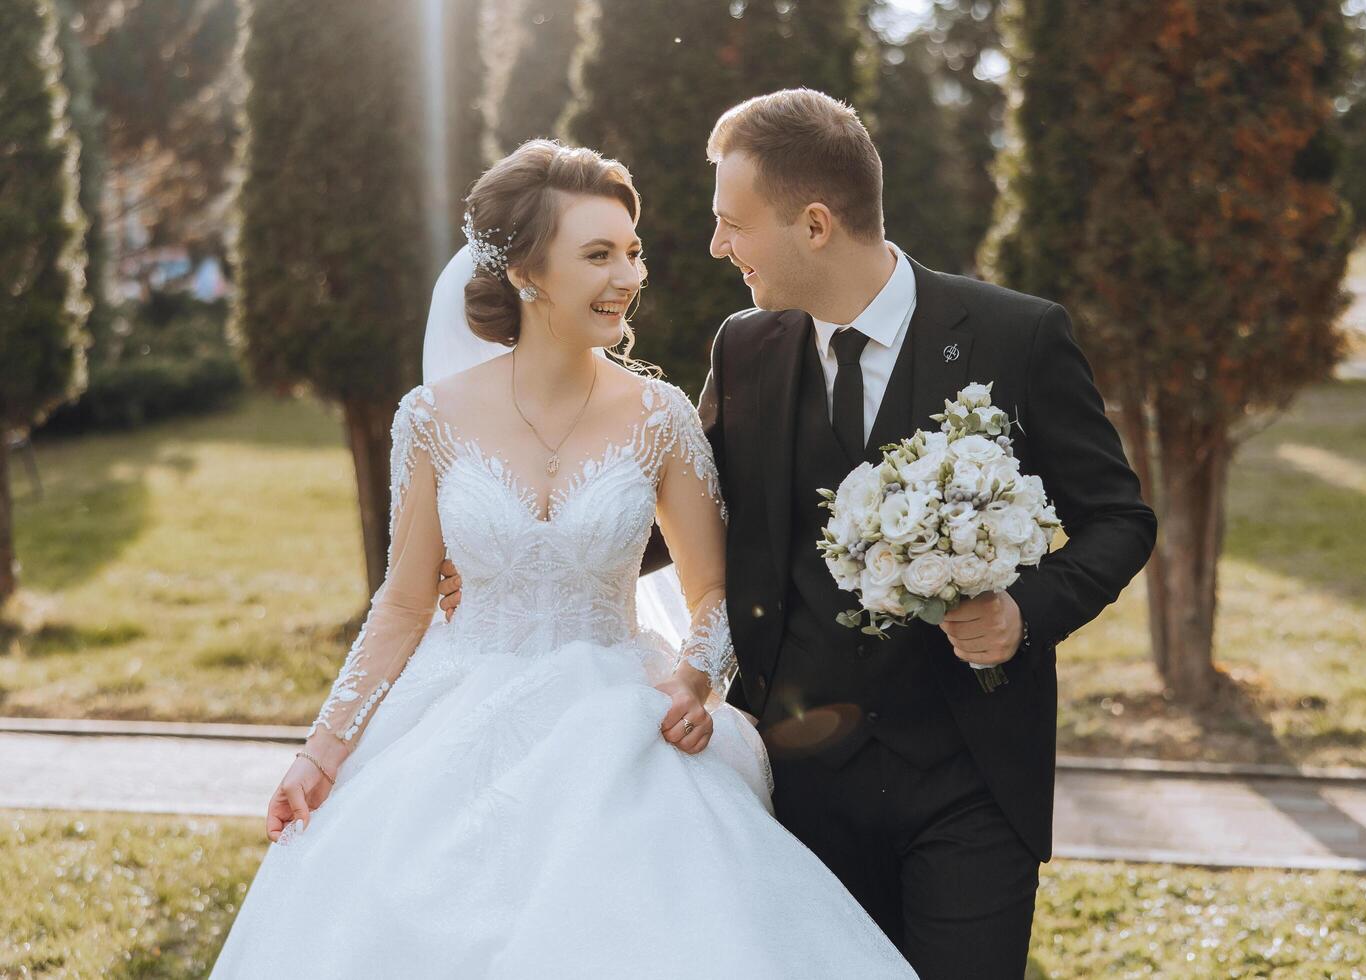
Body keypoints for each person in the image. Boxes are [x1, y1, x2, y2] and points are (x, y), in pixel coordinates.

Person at [438, 88, 1158, 980]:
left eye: (731, 223)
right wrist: (532, 558)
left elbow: (1119, 519)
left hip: (970, 780)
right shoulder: (745, 348)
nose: (715, 247)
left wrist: (1025, 611)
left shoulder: (1016, 337)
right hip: (800, 779)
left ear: (814, 225)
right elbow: (680, 508)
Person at [209, 139, 916, 979]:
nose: (629, 276)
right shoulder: (429, 418)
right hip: (456, 722)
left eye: (632, 251)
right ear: (526, 274)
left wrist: (694, 677)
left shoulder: (660, 416)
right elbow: (402, 606)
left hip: (620, 726)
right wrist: (322, 750)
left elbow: (717, 589)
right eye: (597, 255)